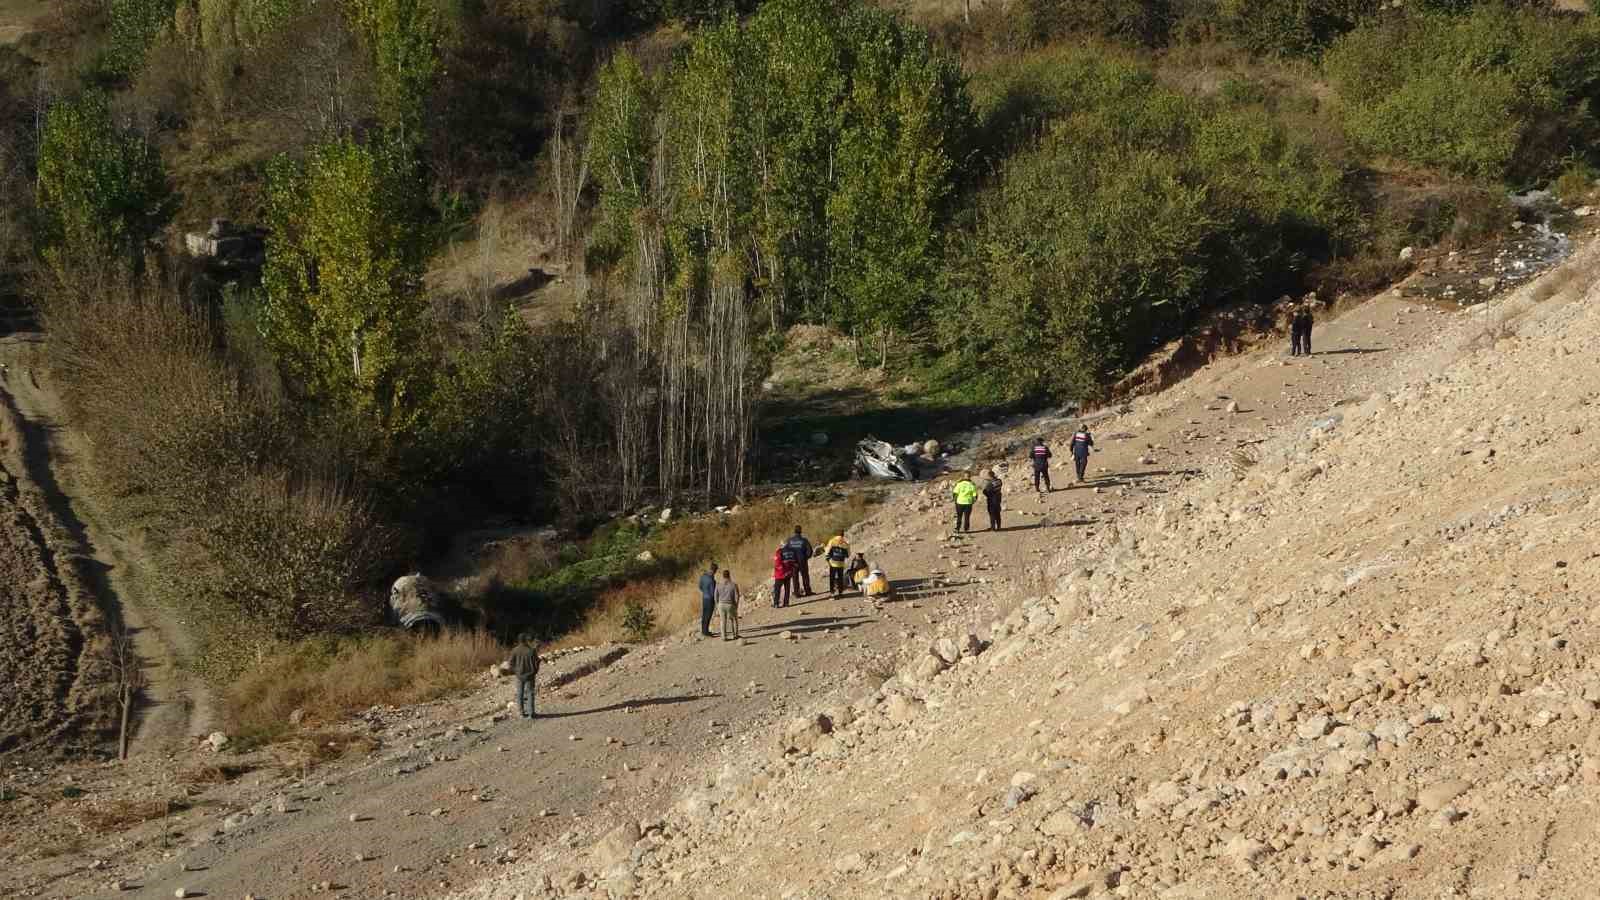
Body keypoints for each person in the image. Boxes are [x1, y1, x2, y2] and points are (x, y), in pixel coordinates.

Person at [508, 634, 540, 719]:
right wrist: (535, 671)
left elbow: (510, 664)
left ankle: (521, 713)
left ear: (519, 640)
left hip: (519, 675)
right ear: (526, 640)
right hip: (530, 675)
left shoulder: (515, 650)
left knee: (520, 694)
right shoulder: (531, 650)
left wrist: (516, 671)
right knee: (530, 694)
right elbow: (537, 662)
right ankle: (531, 713)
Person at [783, 527, 813, 597]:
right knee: (805, 576)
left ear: (794, 532)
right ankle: (807, 591)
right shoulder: (804, 540)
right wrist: (805, 558)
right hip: (803, 562)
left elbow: (785, 550)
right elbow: (810, 552)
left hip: (793, 562)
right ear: (801, 531)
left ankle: (797, 593)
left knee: (795, 578)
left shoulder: (789, 541)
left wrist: (789, 559)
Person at [714, 569, 740, 640]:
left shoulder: (718, 584)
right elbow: (737, 596)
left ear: (723, 576)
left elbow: (715, 596)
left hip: (721, 604)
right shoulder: (734, 585)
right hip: (730, 604)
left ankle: (724, 636)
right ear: (729, 575)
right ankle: (735, 635)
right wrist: (736, 605)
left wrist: (717, 605)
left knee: (723, 621)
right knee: (734, 619)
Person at [698, 562, 720, 637]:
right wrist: (716, 601)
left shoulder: (703, 576)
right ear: (714, 570)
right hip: (710, 600)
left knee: (704, 615)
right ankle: (706, 632)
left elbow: (700, 586)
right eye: (716, 571)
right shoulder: (712, 580)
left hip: (704, 598)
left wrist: (704, 592)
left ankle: (703, 630)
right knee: (708, 615)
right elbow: (713, 592)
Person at [771, 543, 793, 608]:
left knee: (777, 589)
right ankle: (786, 603)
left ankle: (776, 604)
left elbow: (777, 563)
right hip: (788, 573)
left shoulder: (779, 551)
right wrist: (789, 571)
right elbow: (792, 561)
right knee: (787, 589)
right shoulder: (791, 552)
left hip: (780, 574)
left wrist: (782, 571)